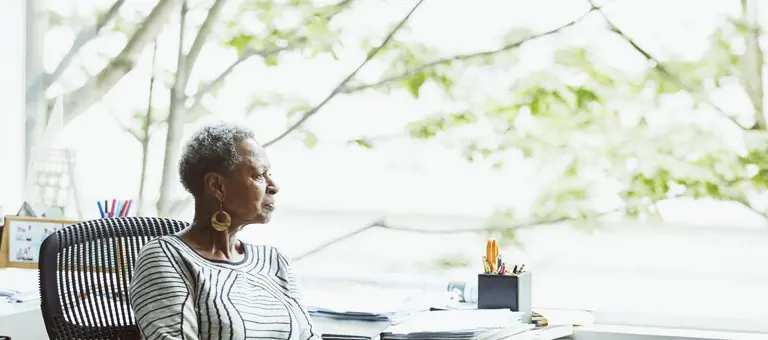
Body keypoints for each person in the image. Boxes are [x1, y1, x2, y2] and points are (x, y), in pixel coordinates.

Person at [129, 123, 319, 340]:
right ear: (217, 186)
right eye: (259, 175)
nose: (273, 186)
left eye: (269, 174)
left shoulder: (274, 261)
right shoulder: (167, 258)